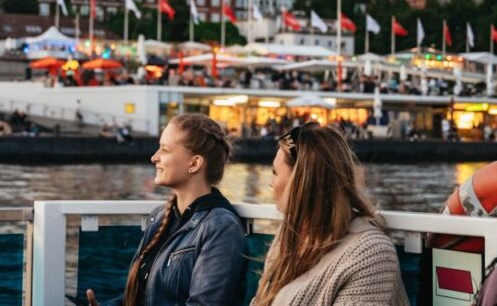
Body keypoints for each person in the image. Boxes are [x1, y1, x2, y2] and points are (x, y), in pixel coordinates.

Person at [86, 113, 246, 306]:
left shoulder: (221, 227)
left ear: (194, 163)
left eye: (165, 150)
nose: (154, 157)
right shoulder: (160, 216)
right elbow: (138, 297)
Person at [251, 122, 408, 306]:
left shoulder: (370, 255)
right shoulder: (289, 234)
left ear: (300, 183)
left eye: (275, 173)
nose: (270, 183)